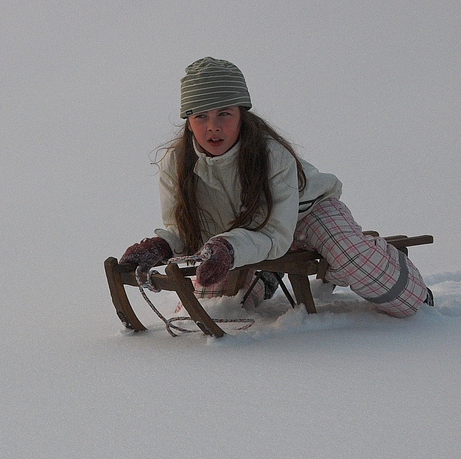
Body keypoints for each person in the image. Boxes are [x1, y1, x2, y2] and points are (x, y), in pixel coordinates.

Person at [119, 56, 432, 317]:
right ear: (188, 121)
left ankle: (404, 283)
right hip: (248, 233)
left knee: (352, 259)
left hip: (307, 212)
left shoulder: (272, 155)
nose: (212, 125)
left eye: (224, 113)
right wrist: (163, 246)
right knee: (217, 306)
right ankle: (267, 274)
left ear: (242, 114)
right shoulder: (176, 165)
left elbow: (275, 235)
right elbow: (187, 231)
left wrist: (229, 247)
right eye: (201, 115)